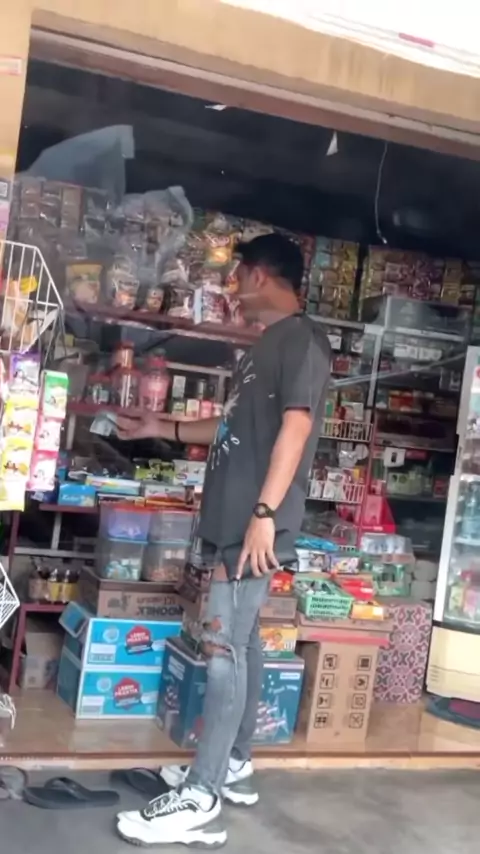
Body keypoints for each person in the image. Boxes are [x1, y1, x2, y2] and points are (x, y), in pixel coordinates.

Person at [115, 233, 331, 848]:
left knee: (222, 648)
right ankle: (234, 763)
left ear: (260, 274)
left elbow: (297, 427)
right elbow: (233, 425)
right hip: (232, 519)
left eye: (236, 276)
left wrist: (264, 512)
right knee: (243, 640)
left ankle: (202, 792)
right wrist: (162, 424)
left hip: (251, 526)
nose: (232, 288)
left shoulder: (302, 340)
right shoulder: (264, 347)